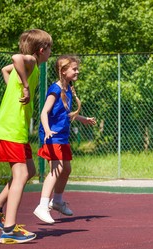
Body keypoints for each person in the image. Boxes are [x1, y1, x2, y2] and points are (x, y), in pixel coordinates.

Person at [0, 29, 53, 244]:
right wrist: (26, 87)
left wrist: (16, 88)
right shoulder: (30, 61)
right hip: (10, 128)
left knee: (29, 170)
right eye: (50, 49)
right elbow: (15, 58)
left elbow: (5, 69)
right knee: (20, 174)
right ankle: (9, 230)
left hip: (15, 129)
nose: (51, 52)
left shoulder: (32, 67)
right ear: (41, 50)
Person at [33, 55, 96, 224]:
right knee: (57, 168)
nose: (77, 71)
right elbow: (44, 112)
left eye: (77, 68)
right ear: (63, 71)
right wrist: (47, 130)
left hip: (62, 136)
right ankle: (42, 205)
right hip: (52, 136)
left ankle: (58, 201)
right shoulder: (55, 89)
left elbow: (64, 114)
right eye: (74, 69)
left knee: (66, 169)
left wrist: (82, 119)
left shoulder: (67, 89)